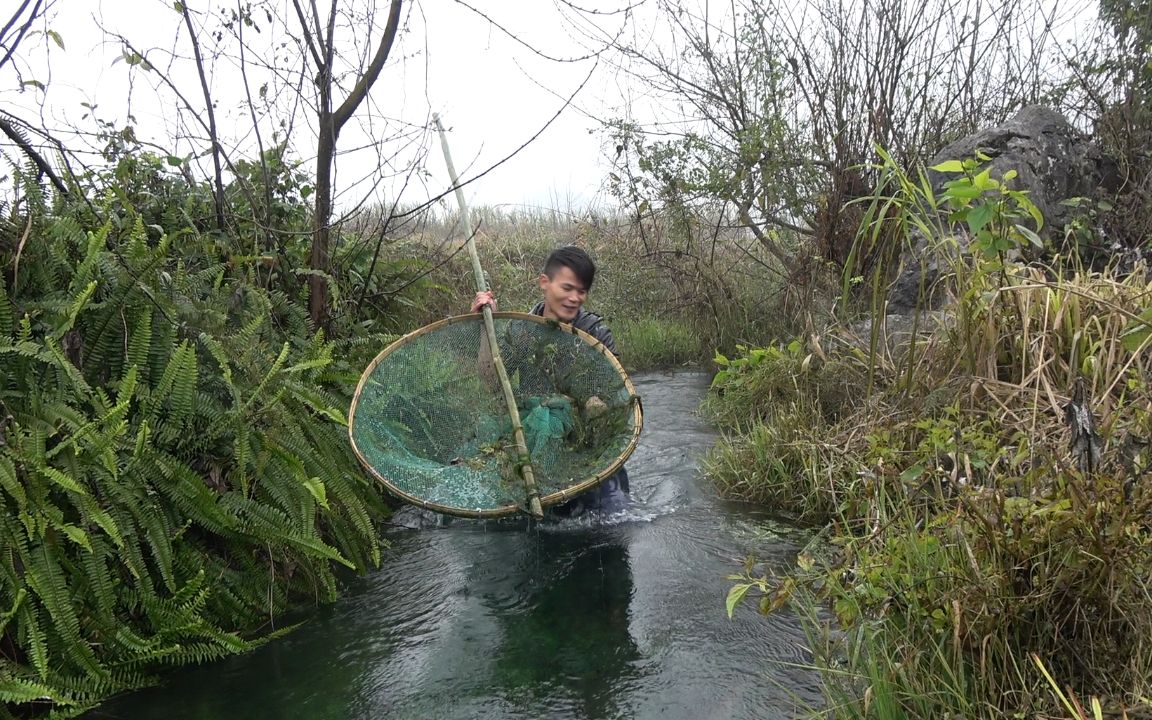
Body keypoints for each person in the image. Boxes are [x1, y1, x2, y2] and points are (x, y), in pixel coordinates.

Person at [470, 246, 630, 517]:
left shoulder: (595, 333)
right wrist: (487, 327)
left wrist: (593, 405)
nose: (574, 298)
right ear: (545, 282)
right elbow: (492, 381)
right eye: (567, 288)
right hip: (536, 454)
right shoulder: (522, 331)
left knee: (613, 520)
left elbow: (612, 395)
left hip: (590, 455)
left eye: (581, 291)